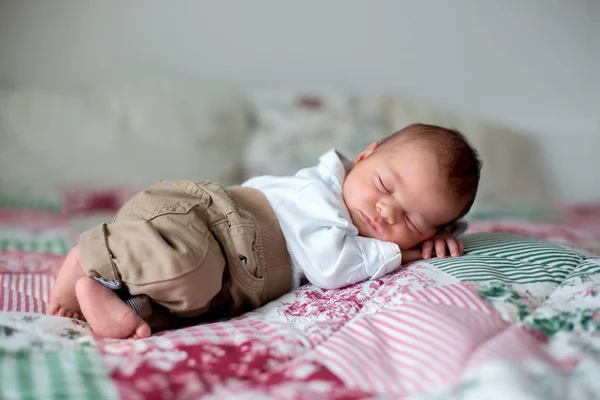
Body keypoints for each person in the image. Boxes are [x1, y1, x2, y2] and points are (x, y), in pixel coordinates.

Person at [47, 123, 482, 339]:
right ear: (364, 157)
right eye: (385, 186)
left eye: (410, 220)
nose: (386, 212)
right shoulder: (323, 193)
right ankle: (88, 258)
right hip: (208, 223)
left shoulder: (365, 229)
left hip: (233, 279)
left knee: (183, 307)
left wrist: (431, 241)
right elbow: (331, 267)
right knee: (186, 268)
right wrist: (404, 251)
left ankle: (107, 295)